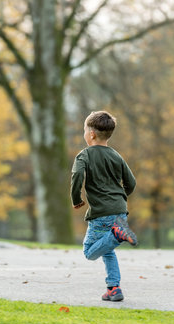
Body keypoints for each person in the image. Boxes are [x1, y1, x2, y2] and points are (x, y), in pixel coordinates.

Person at [70, 110, 137, 302]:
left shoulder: (84, 156)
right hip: (120, 211)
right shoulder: (116, 156)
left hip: (101, 214)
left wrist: (76, 199)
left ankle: (117, 234)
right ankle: (114, 288)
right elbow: (131, 183)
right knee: (107, 249)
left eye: (84, 130)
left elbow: (77, 177)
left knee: (90, 251)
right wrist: (120, 199)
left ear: (91, 134)